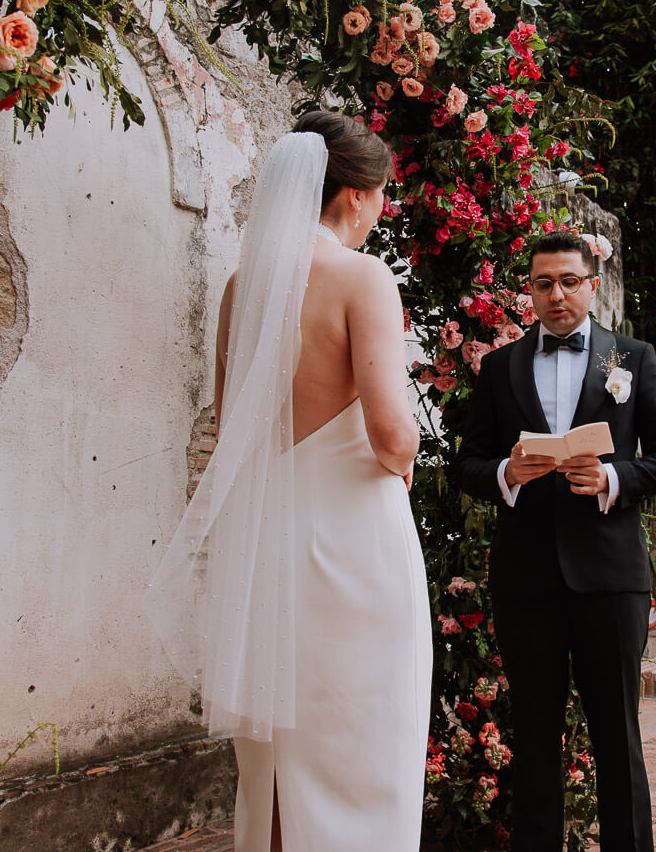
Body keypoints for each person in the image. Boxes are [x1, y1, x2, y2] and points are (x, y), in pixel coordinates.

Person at [148, 112, 429, 851]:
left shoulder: (244, 286)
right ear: (355, 195)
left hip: (266, 542)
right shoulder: (361, 277)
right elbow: (391, 433)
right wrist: (409, 457)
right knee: (362, 734)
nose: (380, 213)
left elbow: (226, 419)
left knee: (277, 747)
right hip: (350, 545)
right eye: (381, 197)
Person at [454, 231, 656, 852]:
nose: (555, 294)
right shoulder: (500, 367)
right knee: (533, 734)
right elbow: (467, 462)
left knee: (618, 732)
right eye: (542, 283)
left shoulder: (633, 359)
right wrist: (507, 473)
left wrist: (613, 476)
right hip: (525, 578)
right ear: (529, 291)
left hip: (610, 575)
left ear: (592, 285)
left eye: (567, 281)